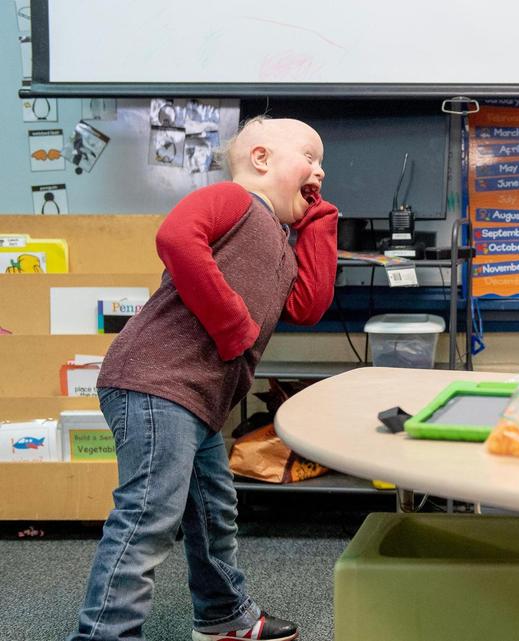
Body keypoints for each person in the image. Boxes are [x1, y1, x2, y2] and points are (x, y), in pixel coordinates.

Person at [70, 116, 339, 641]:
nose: (321, 171)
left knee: (214, 512)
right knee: (148, 516)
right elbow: (175, 237)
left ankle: (223, 617)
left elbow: (309, 305)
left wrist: (320, 220)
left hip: (198, 399)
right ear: (261, 159)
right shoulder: (233, 199)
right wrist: (232, 323)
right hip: (156, 380)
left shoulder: (280, 238)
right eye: (310, 157)